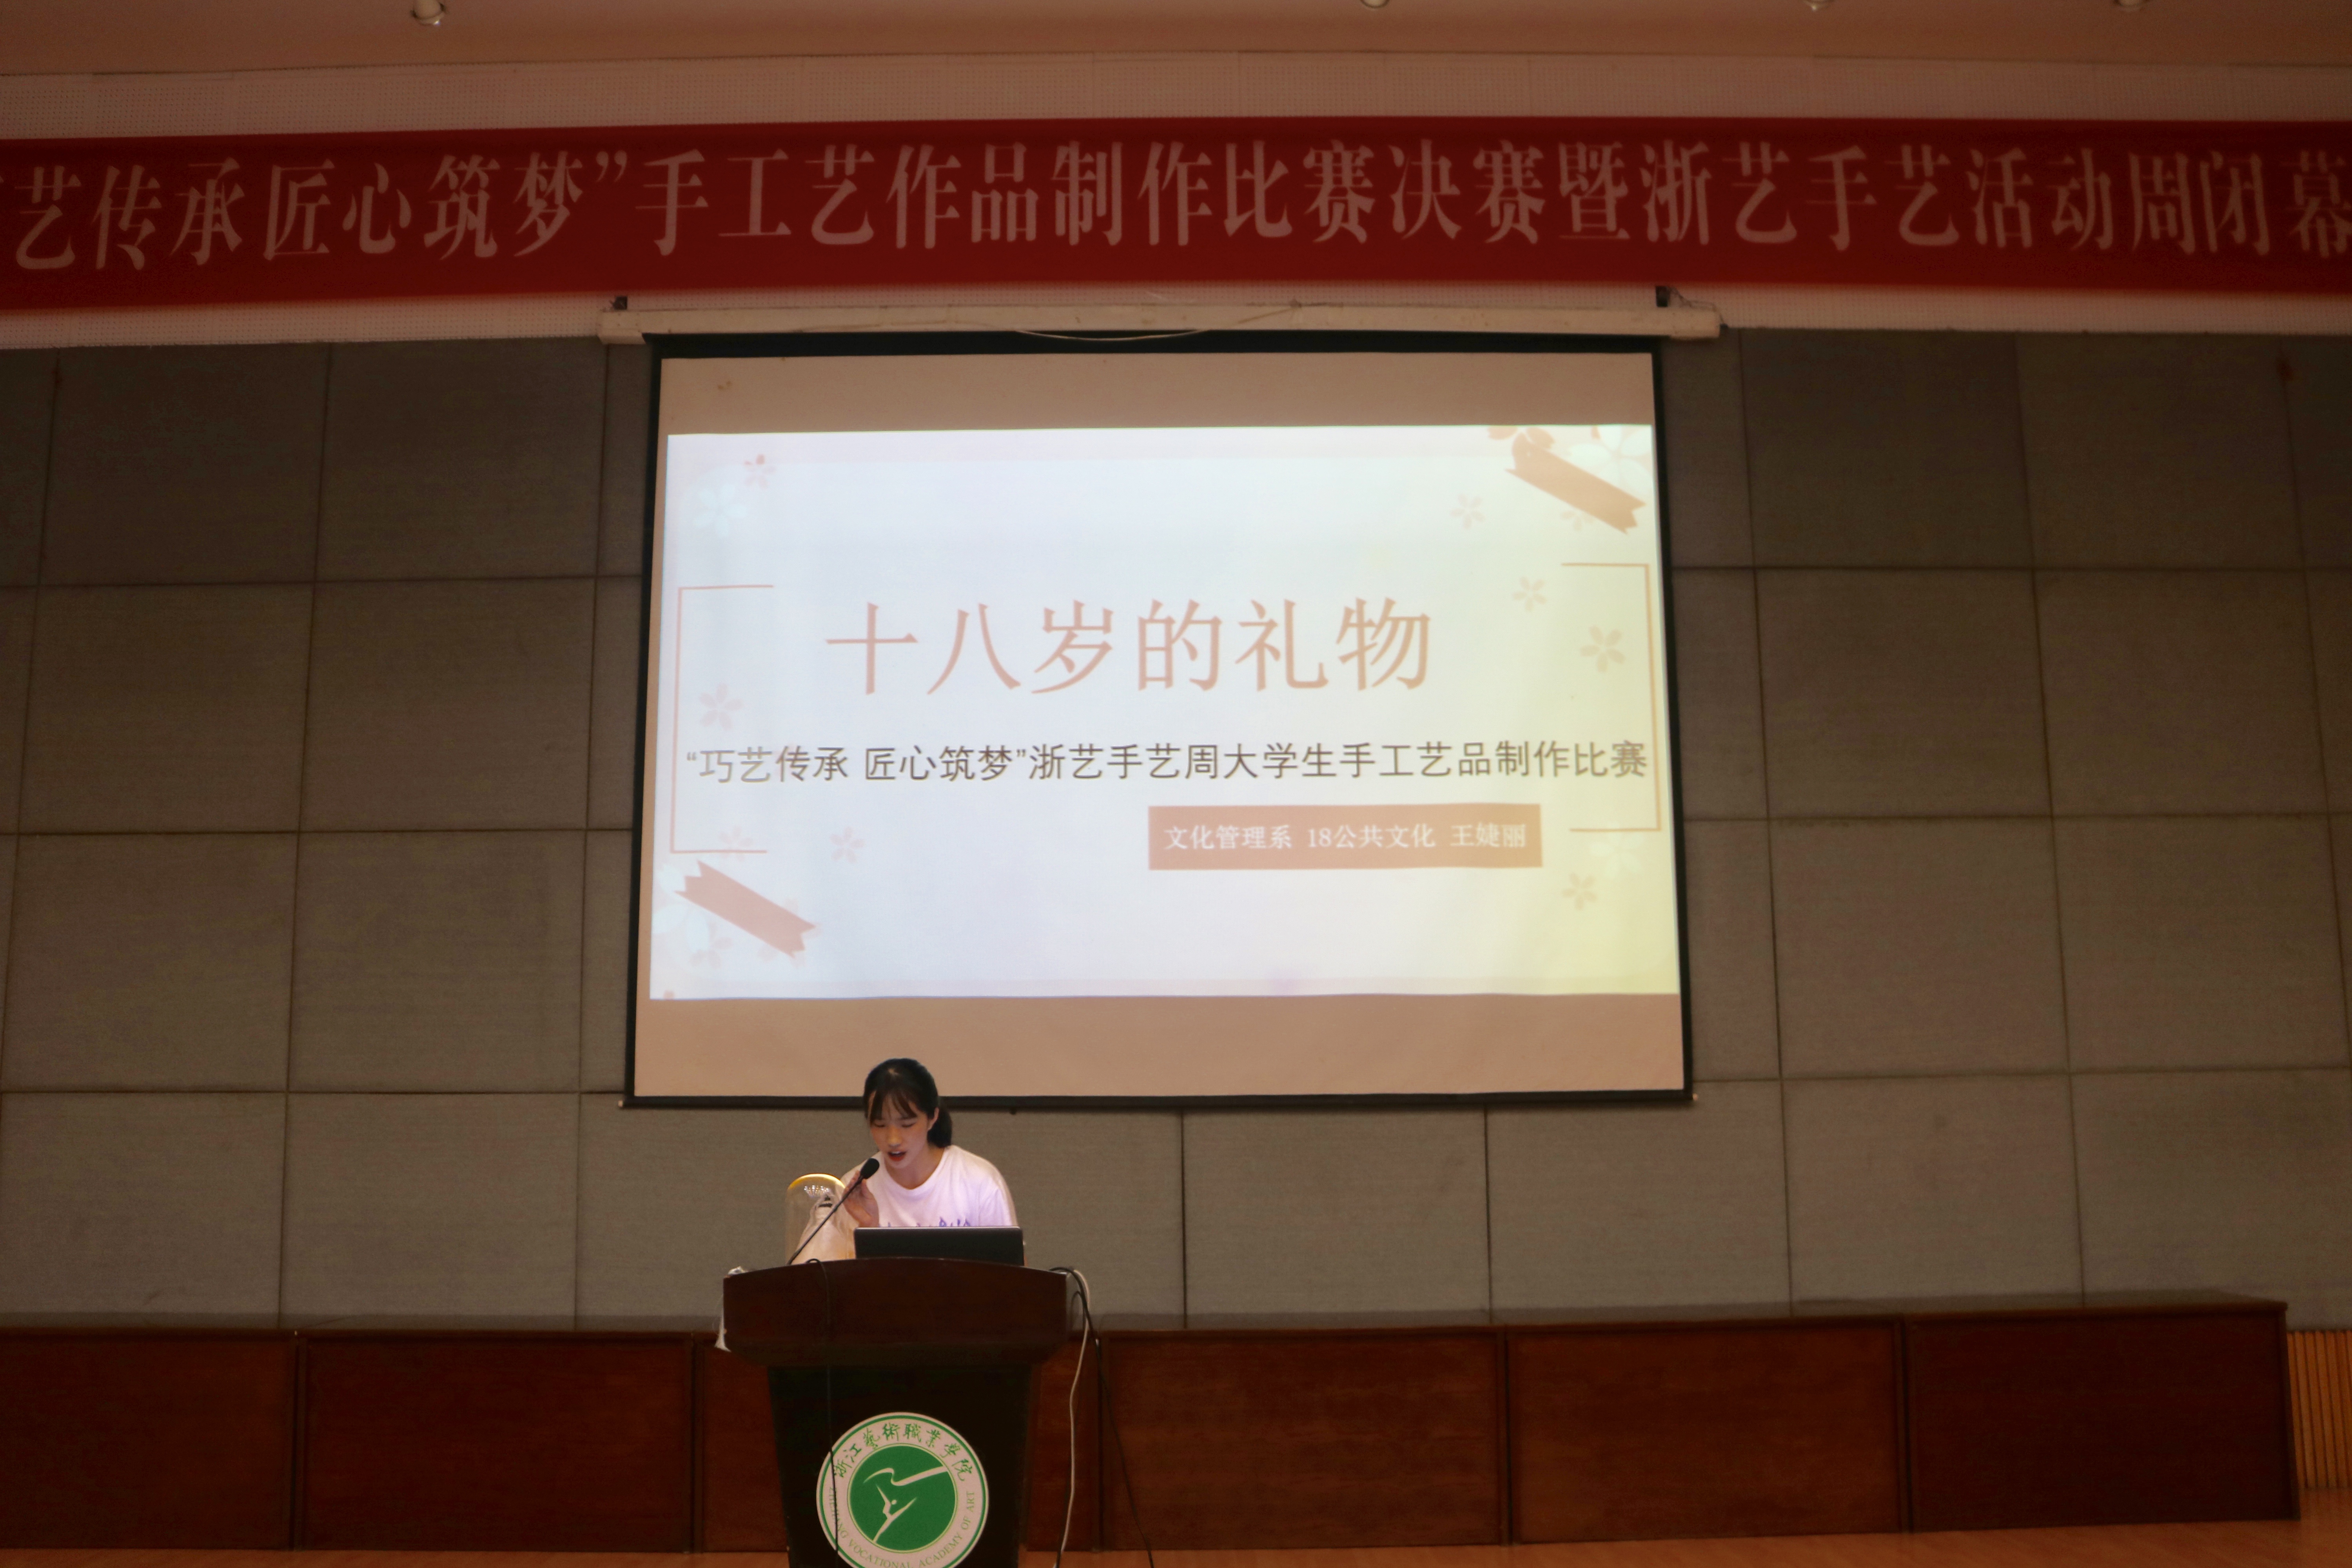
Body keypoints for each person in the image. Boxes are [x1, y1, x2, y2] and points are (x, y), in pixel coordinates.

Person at [794, 1058, 1016, 1262]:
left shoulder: (980, 1182)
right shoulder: (853, 1192)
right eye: (880, 1125)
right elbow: (821, 1278)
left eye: (907, 1125)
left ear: (933, 1117)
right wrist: (868, 1229)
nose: (893, 1140)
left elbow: (1014, 1276)